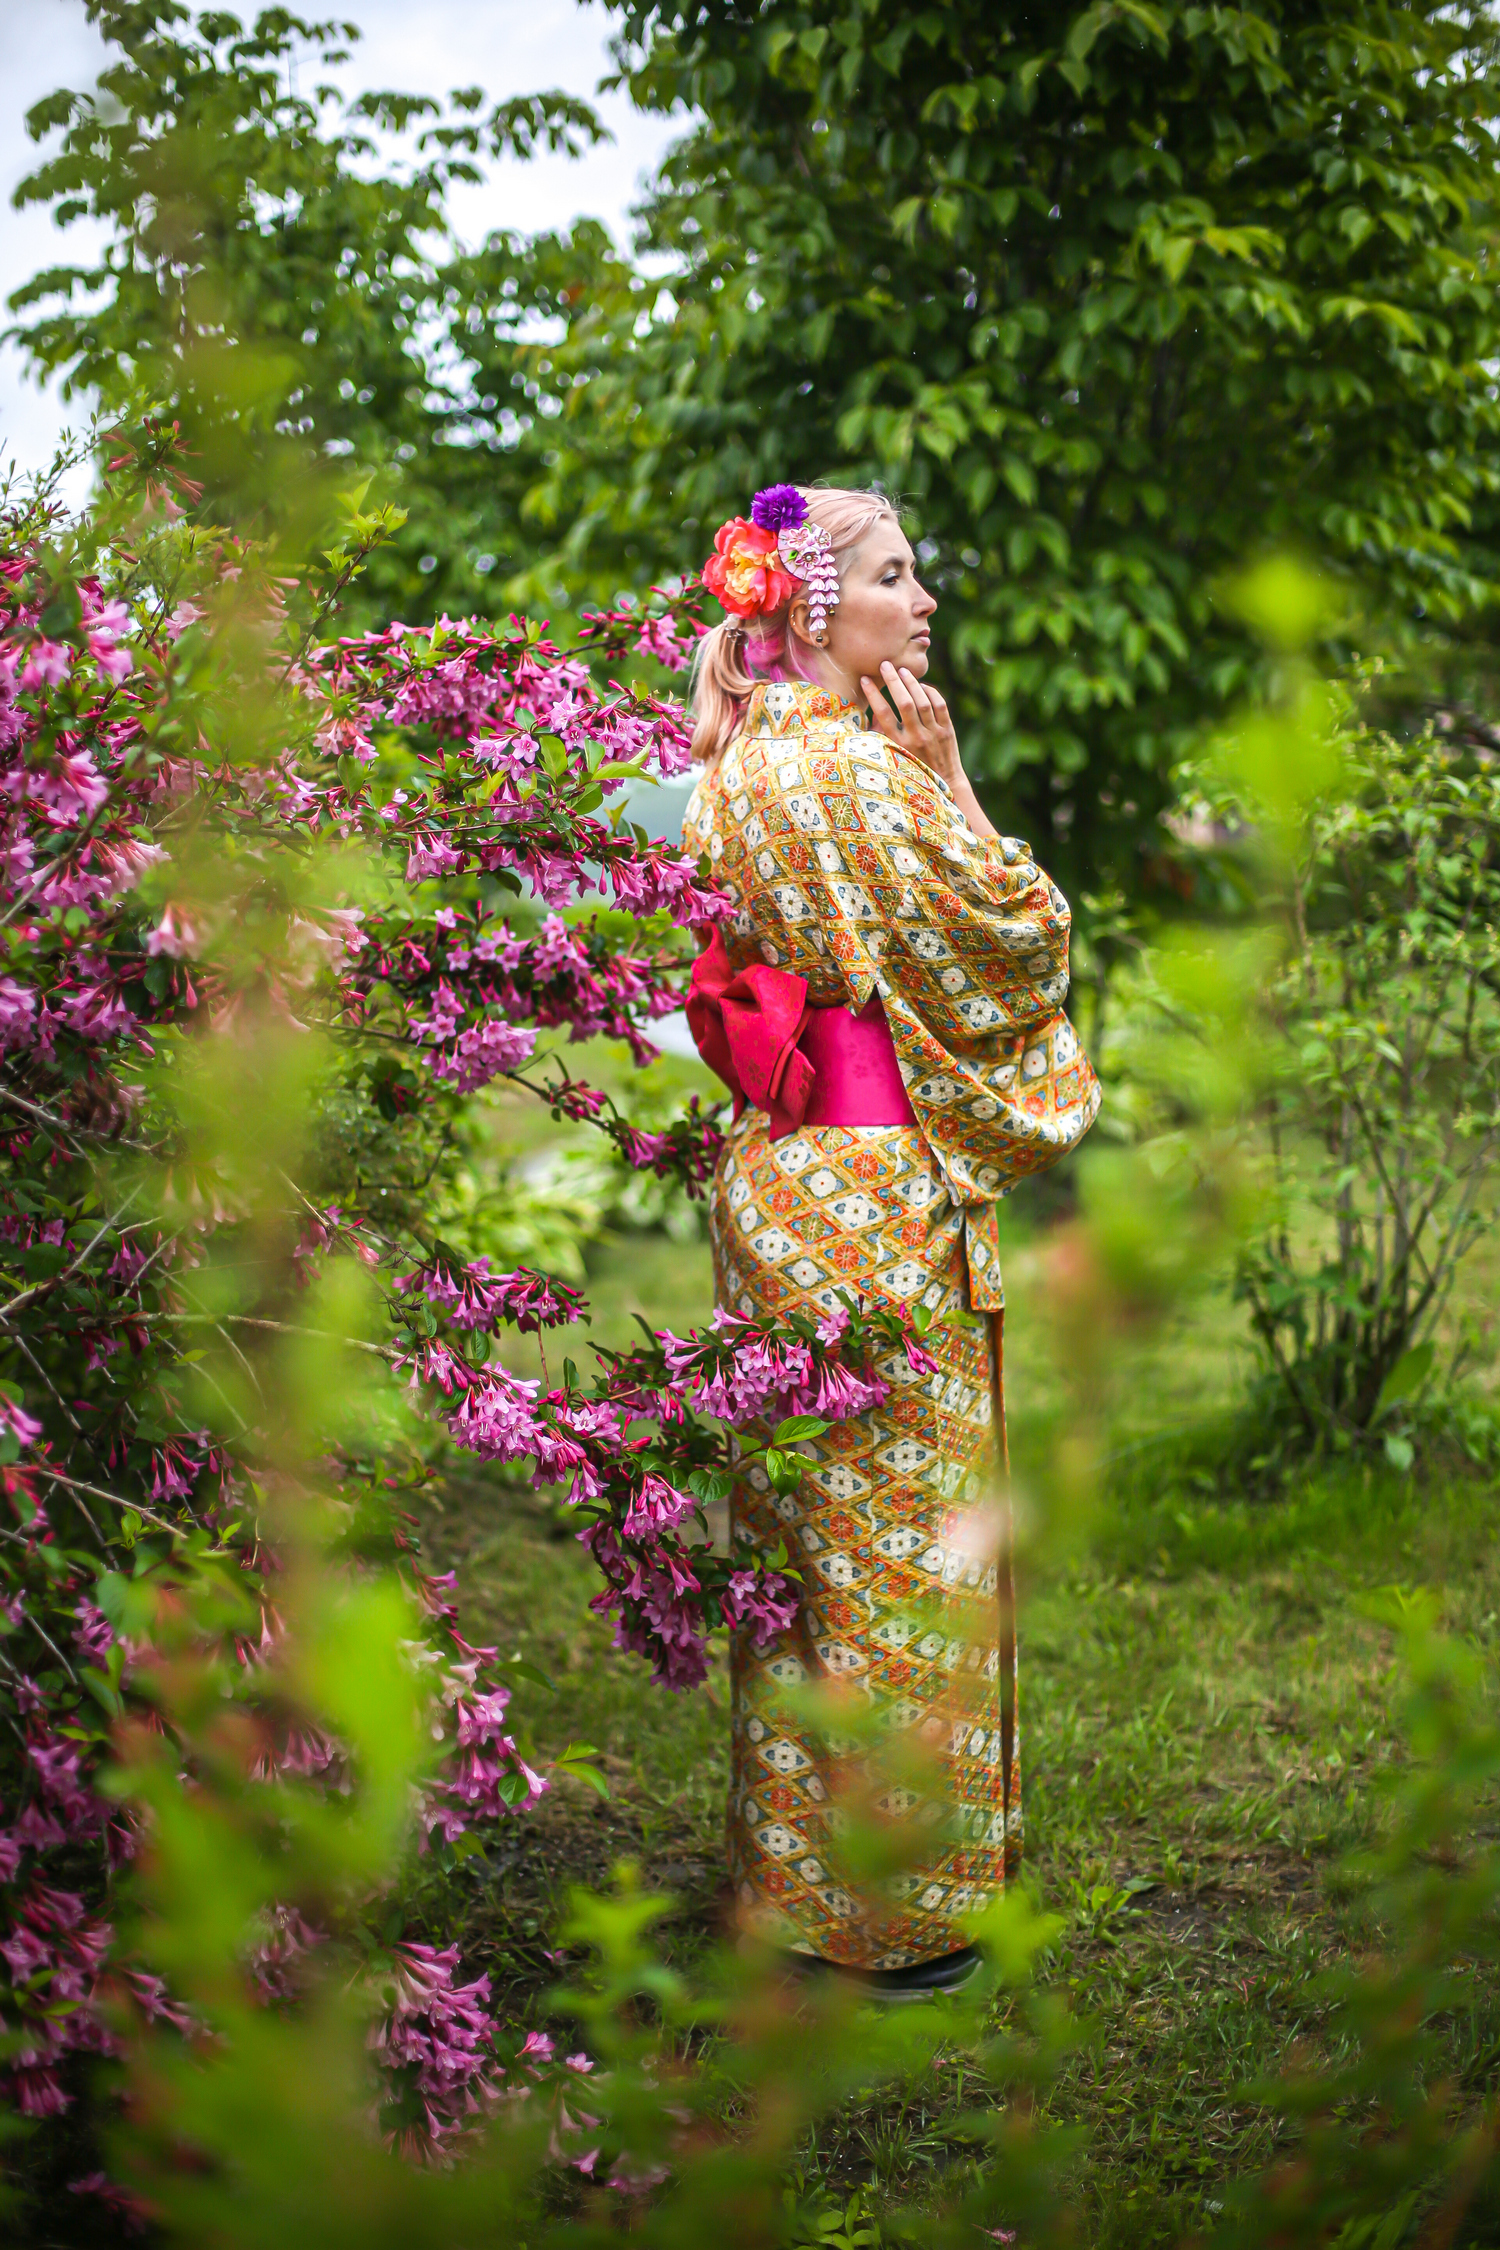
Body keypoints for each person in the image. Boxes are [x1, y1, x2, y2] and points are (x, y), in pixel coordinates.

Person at [682, 485, 1100, 1998]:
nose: (922, 606)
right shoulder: (866, 776)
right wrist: (962, 779)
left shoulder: (726, 771)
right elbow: (1020, 938)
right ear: (814, 606)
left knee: (802, 1543)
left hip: (772, 1176)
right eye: (896, 577)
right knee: (900, 1546)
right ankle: (895, 1913)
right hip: (872, 1187)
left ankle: (792, 1888)